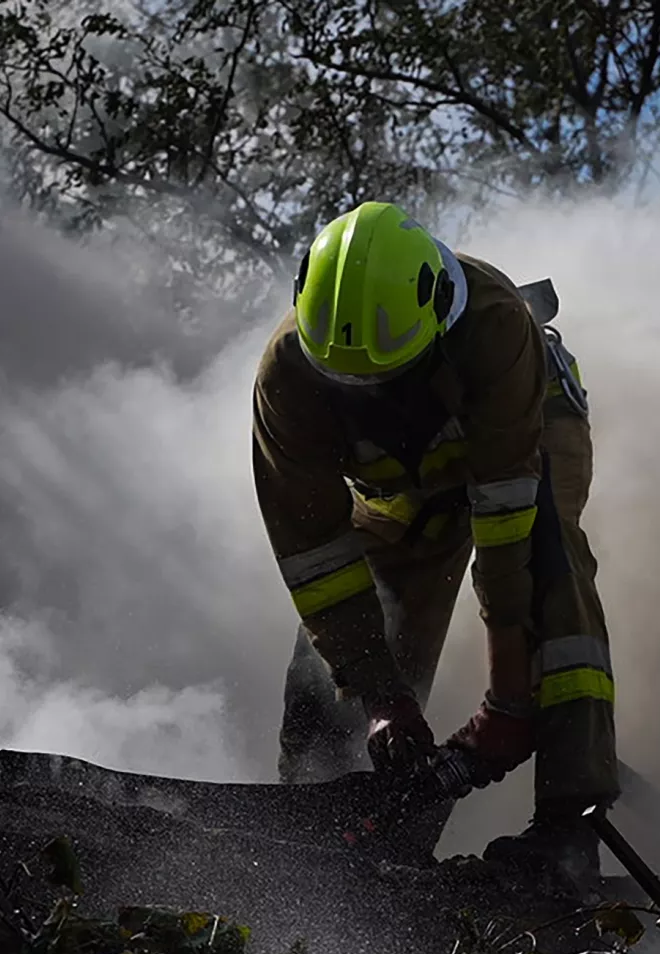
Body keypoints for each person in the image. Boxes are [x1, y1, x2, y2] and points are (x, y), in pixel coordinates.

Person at [251, 200, 618, 881]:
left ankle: (569, 826)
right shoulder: (286, 382)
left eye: (387, 379)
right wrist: (382, 697)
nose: (370, 397)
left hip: (528, 430)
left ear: (437, 312)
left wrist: (508, 703)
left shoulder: (495, 327)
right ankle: (319, 813)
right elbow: (317, 561)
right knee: (366, 606)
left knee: (550, 567)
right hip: (405, 479)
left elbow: (506, 539)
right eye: (349, 384)